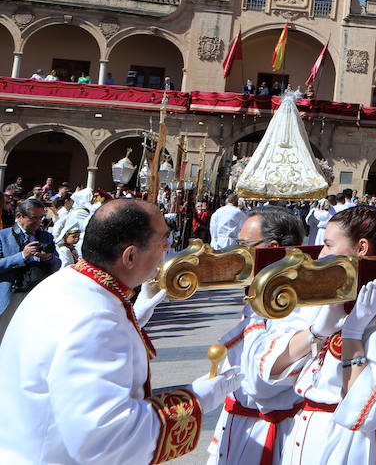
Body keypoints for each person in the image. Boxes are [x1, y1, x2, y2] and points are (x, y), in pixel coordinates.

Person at [0, 199, 239, 463]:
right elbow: (107, 441)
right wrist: (196, 400)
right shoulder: (96, 320)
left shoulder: (69, 283)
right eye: (162, 240)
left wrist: (133, 317)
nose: (168, 248)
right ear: (130, 256)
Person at [255, 205, 376, 464]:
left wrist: (354, 335)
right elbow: (270, 369)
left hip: (353, 442)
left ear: (361, 248)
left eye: (328, 244)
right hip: (306, 429)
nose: (321, 253)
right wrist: (318, 331)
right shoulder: (320, 298)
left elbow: (375, 407)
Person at [206, 206, 308, 465]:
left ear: (271, 248)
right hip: (240, 424)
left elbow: (258, 383)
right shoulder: (257, 297)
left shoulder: (297, 305)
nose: (236, 253)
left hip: (268, 431)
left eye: (243, 245)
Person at [0, 197, 60, 336]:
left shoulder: (46, 237)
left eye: (41, 217)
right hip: (12, 295)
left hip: (38, 294)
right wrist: (22, 256)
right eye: (34, 218)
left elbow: (58, 264)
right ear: (19, 216)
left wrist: (48, 258)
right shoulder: (3, 236)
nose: (38, 222)